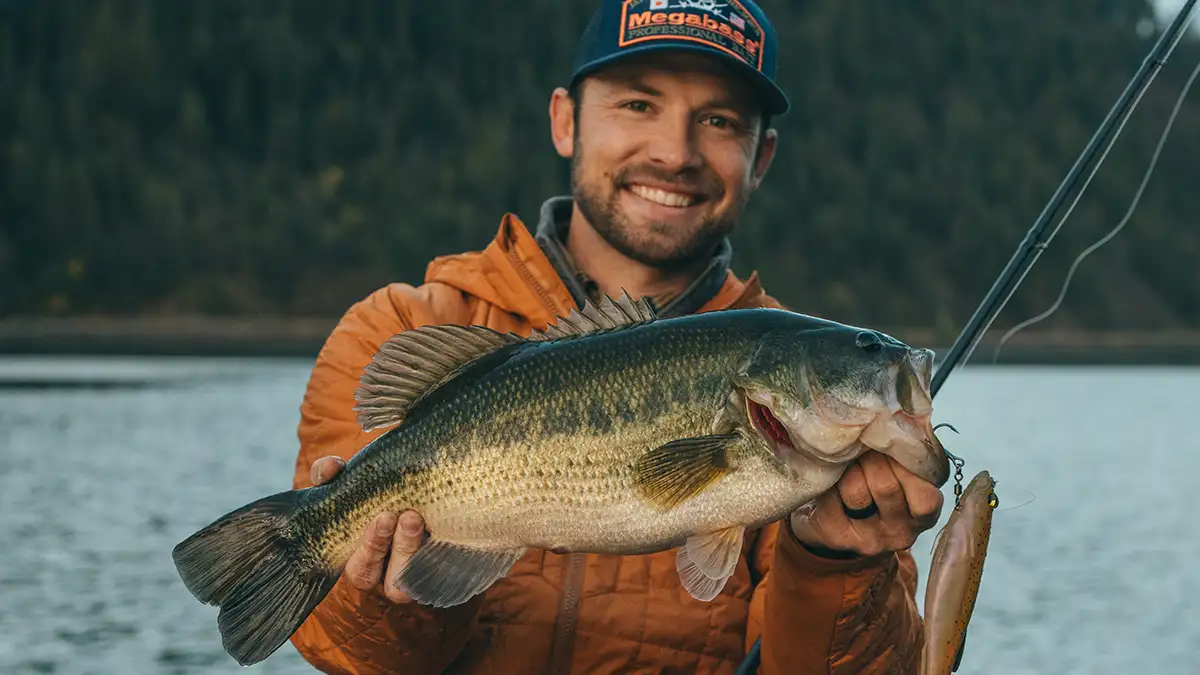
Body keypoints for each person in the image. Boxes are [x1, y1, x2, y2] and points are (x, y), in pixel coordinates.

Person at [288, 0, 944, 672]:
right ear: (565, 121)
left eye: (718, 120)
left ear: (762, 156)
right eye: (638, 104)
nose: (674, 152)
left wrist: (835, 560)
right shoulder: (405, 325)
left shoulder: (821, 460)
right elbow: (342, 652)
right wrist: (395, 585)